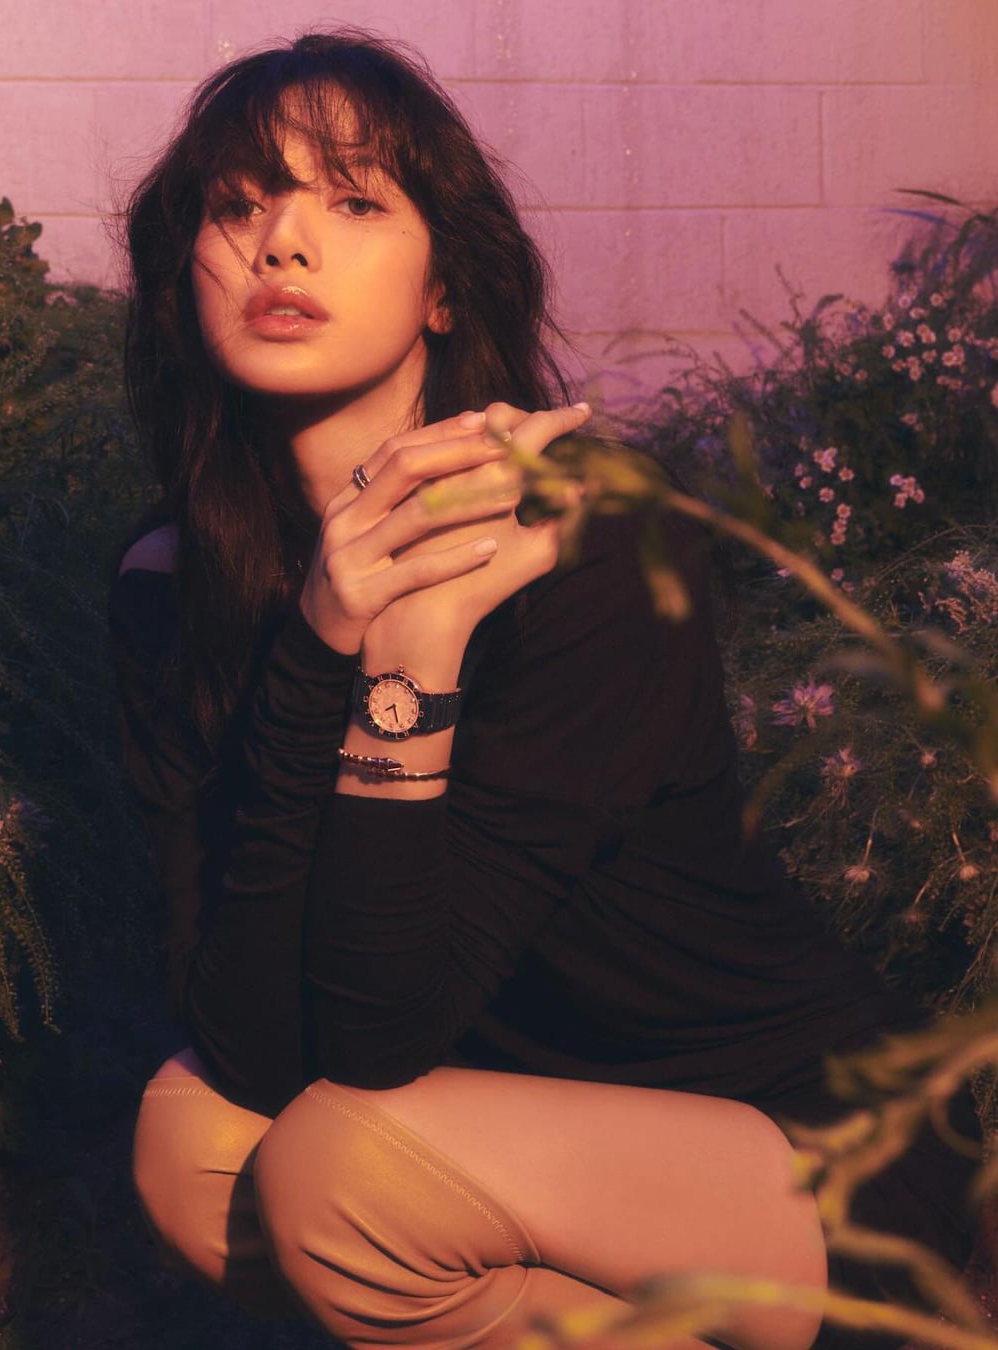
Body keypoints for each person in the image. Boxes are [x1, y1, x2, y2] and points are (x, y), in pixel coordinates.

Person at [108, 30, 981, 1350]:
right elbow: (253, 1043)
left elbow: (377, 1045)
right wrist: (321, 648)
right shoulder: (172, 586)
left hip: (802, 1137)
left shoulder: (587, 544)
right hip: (483, 1120)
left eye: (354, 202)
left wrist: (412, 665)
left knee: (341, 1168)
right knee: (193, 1139)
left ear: (444, 289)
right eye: (237, 206)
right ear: (187, 271)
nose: (280, 244)